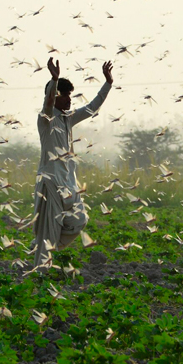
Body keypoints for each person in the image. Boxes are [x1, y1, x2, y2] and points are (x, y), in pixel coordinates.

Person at [31, 57, 113, 272]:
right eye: (64, 96)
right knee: (48, 230)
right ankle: (41, 270)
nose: (69, 100)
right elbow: (48, 104)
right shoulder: (45, 119)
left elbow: (92, 107)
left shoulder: (69, 119)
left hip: (68, 184)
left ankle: (43, 252)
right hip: (50, 184)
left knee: (79, 219)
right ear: (55, 97)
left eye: (69, 96)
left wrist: (108, 83)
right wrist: (54, 79)